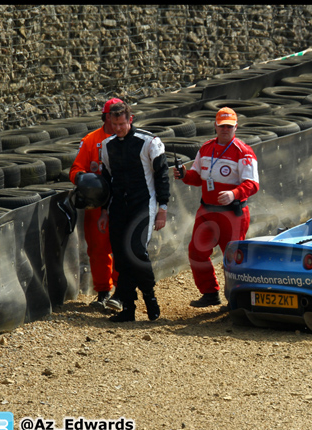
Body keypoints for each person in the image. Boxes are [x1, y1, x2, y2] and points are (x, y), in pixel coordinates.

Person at [174, 107, 259, 307]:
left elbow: (252, 184)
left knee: (233, 259)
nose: (225, 129)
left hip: (233, 214)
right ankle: (210, 293)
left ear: (236, 127)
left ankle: (236, 298)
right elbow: (197, 177)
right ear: (215, 126)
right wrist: (185, 175)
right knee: (196, 251)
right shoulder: (205, 148)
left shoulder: (244, 151)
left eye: (229, 126)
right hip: (207, 211)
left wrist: (233, 194)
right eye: (222, 126)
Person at [97, 101, 170, 322]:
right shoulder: (107, 145)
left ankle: (150, 297)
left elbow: (162, 176)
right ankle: (128, 308)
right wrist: (103, 211)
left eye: (121, 123)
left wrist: (162, 209)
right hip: (118, 206)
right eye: (114, 123)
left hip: (143, 206)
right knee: (120, 257)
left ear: (131, 119)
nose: (118, 128)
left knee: (137, 253)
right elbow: (106, 181)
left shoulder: (149, 142)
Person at [69, 98, 122, 310]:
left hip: (121, 203)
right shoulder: (91, 140)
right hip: (97, 205)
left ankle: (121, 292)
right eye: (113, 115)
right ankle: (102, 293)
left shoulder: (129, 139)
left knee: (122, 248)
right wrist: (84, 180)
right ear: (106, 116)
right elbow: (75, 170)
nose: (116, 120)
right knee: (98, 250)